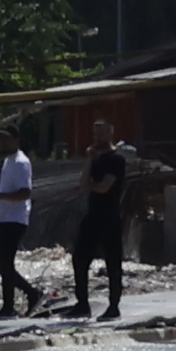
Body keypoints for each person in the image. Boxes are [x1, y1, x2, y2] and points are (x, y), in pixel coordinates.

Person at [70, 133, 135, 320]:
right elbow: (83, 183)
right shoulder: (95, 160)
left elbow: (104, 187)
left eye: (102, 133)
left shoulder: (117, 160)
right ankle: (82, 303)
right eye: (95, 133)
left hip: (110, 217)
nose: (97, 138)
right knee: (80, 259)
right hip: (93, 215)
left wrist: (91, 186)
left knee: (113, 263)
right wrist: (89, 160)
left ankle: (114, 306)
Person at [0, 126, 39, 316]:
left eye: (7, 139)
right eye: (1, 139)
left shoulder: (21, 162)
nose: (3, 143)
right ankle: (8, 306)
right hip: (5, 218)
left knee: (1, 263)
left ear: (17, 140)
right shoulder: (8, 161)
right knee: (4, 263)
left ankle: (33, 293)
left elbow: (25, 193)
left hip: (15, 220)